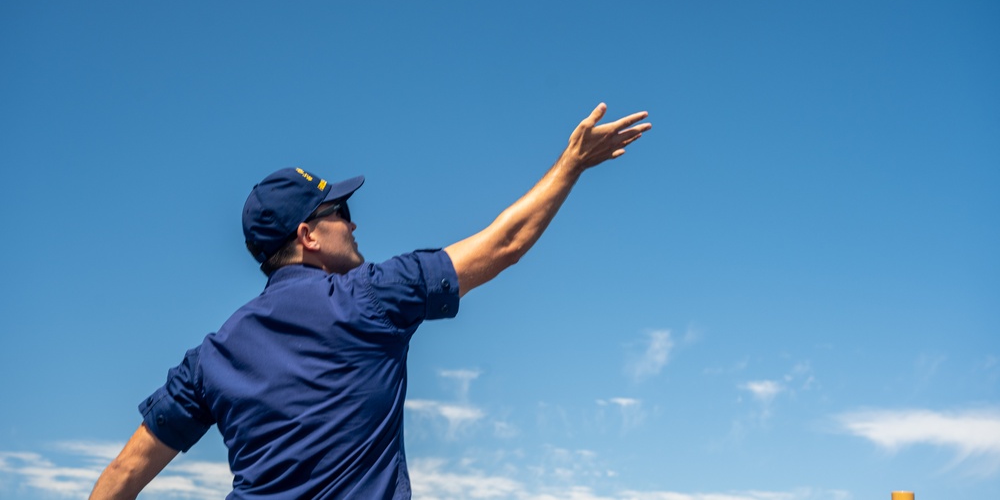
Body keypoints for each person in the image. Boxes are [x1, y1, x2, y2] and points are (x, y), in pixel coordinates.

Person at [89, 103, 651, 500]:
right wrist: (571, 164)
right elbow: (504, 244)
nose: (353, 224)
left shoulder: (211, 356)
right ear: (308, 235)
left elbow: (125, 470)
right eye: (339, 214)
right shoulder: (371, 298)